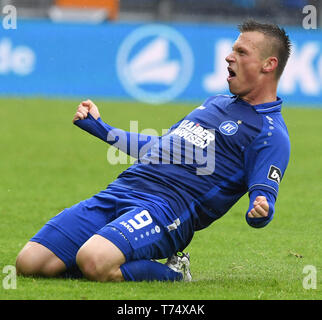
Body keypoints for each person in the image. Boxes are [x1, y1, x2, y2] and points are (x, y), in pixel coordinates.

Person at [15, 19, 291, 282]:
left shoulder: (271, 134)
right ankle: (106, 256)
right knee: (30, 263)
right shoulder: (216, 102)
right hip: (123, 188)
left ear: (269, 64)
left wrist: (261, 210)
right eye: (232, 50)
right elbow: (159, 148)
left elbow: (263, 198)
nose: (229, 57)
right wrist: (100, 128)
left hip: (168, 208)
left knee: (94, 260)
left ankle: (175, 274)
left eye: (241, 52)